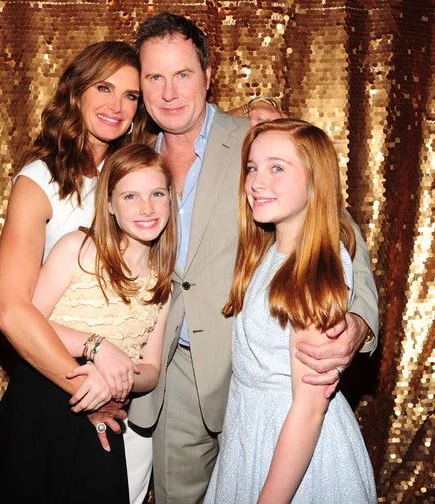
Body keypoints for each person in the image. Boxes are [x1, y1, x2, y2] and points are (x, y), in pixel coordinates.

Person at [128, 12, 379, 503]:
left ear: (207, 75)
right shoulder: (134, 155)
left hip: (263, 365)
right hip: (173, 377)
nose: (170, 92)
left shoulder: (254, 137)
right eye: (154, 77)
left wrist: (358, 322)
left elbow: (337, 225)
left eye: (182, 74)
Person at [0, 42, 159, 503]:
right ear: (76, 91)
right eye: (104, 87)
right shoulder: (40, 181)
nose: (118, 106)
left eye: (132, 95)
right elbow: (9, 310)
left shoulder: (135, 175)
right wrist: (88, 391)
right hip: (60, 390)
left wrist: (257, 107)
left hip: (128, 398)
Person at [205, 118, 377, 503]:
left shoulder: (312, 270)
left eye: (277, 168)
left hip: (294, 449)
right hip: (254, 437)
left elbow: (310, 409)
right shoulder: (272, 252)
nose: (256, 181)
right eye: (252, 167)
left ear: (316, 180)